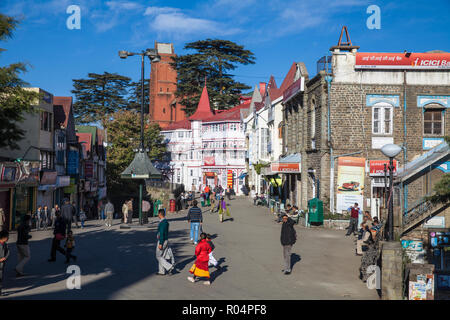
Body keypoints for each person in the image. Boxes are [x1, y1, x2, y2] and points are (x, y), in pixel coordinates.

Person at [155, 209, 175, 275]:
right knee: (162, 256)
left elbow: (162, 233)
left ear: (160, 214)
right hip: (165, 240)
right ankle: (161, 271)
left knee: (158, 256)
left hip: (162, 240)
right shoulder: (165, 221)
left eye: (158, 214)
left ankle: (169, 266)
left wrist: (160, 243)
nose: (158, 215)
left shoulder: (163, 223)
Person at [0, 230, 10, 296]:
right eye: (7, 237)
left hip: (2, 265)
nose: (8, 238)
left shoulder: (5, 244)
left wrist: (5, 257)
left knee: (1, 278)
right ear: (3, 237)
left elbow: (8, 252)